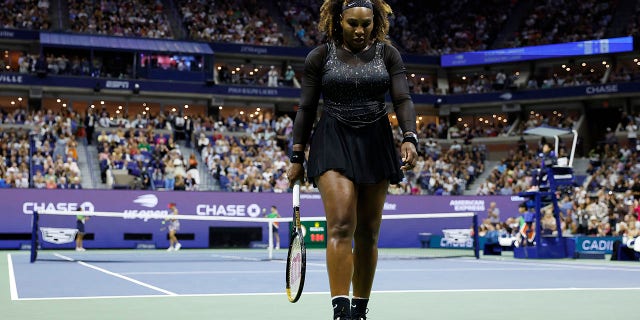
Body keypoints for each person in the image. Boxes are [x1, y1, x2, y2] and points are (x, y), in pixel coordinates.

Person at [286, 1, 418, 319]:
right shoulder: (319, 56)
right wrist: (296, 154)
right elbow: (305, 108)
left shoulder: (388, 55)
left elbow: (402, 98)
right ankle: (340, 310)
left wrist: (410, 137)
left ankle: (359, 309)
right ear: (338, 21)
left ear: (375, 23)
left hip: (376, 140)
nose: (360, 30)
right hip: (333, 138)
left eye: (366, 24)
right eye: (353, 24)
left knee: (369, 232)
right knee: (342, 223)